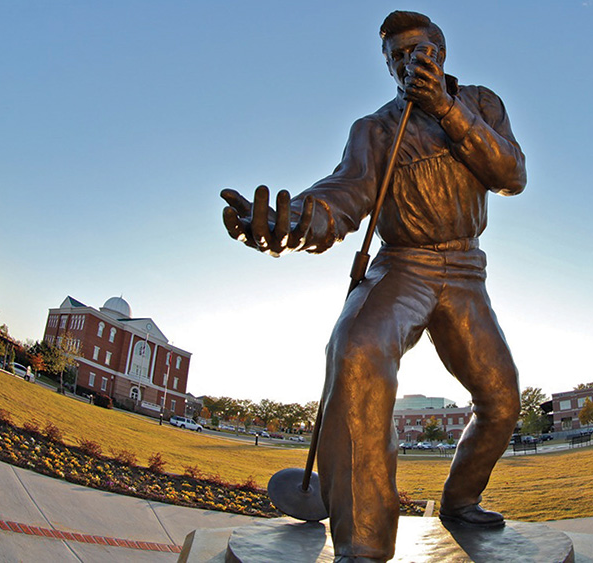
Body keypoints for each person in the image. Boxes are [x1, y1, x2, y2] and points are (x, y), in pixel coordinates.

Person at [221, 11, 526, 561]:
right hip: (400, 265)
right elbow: (341, 197)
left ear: (441, 53)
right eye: (397, 57)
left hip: (464, 271)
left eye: (419, 50)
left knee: (502, 398)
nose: (409, 61)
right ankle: (362, 544)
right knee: (357, 350)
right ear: (389, 68)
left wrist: (445, 110)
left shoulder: (481, 104)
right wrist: (288, 225)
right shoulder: (375, 129)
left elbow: (512, 176)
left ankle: (460, 501)